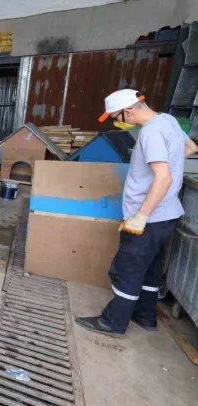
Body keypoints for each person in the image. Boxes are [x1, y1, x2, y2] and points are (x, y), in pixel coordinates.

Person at [75, 89, 198, 338]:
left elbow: (163, 178)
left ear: (128, 111)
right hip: (167, 214)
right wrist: (170, 163)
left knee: (128, 268)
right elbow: (191, 147)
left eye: (116, 117)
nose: (116, 123)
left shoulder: (151, 132)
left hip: (149, 217)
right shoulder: (168, 120)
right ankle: (145, 316)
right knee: (149, 268)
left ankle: (113, 322)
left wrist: (141, 215)